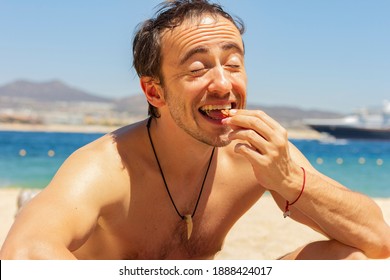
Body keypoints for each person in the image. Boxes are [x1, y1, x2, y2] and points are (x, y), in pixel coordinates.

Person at [1, 0, 390, 260]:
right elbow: (24, 254)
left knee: (352, 259)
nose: (223, 84)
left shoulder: (254, 154)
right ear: (155, 91)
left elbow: (377, 238)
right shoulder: (106, 167)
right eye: (198, 68)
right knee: (40, 221)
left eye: (233, 64)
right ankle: (34, 204)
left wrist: (288, 180)